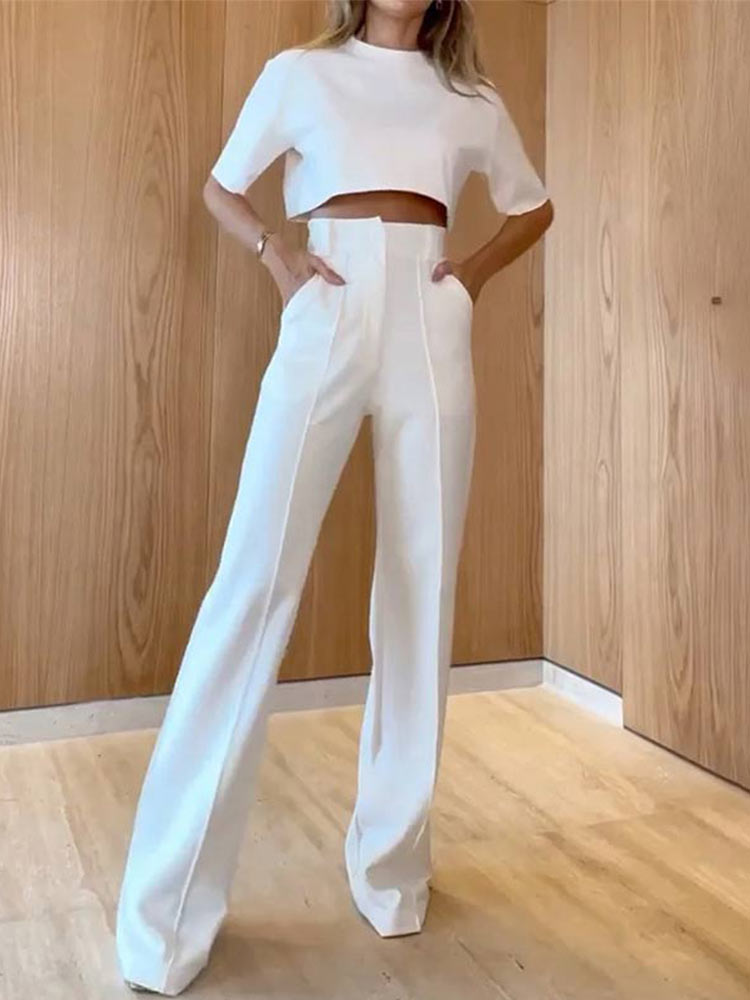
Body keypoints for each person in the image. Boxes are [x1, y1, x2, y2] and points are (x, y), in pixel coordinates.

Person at [115, 0, 554, 994]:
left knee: (421, 590)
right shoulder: (299, 73)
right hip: (331, 296)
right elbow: (222, 186)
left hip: (431, 317)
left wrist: (472, 280)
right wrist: (275, 254)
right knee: (252, 584)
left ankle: (392, 872)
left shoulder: (470, 96)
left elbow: (533, 205)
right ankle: (165, 916)